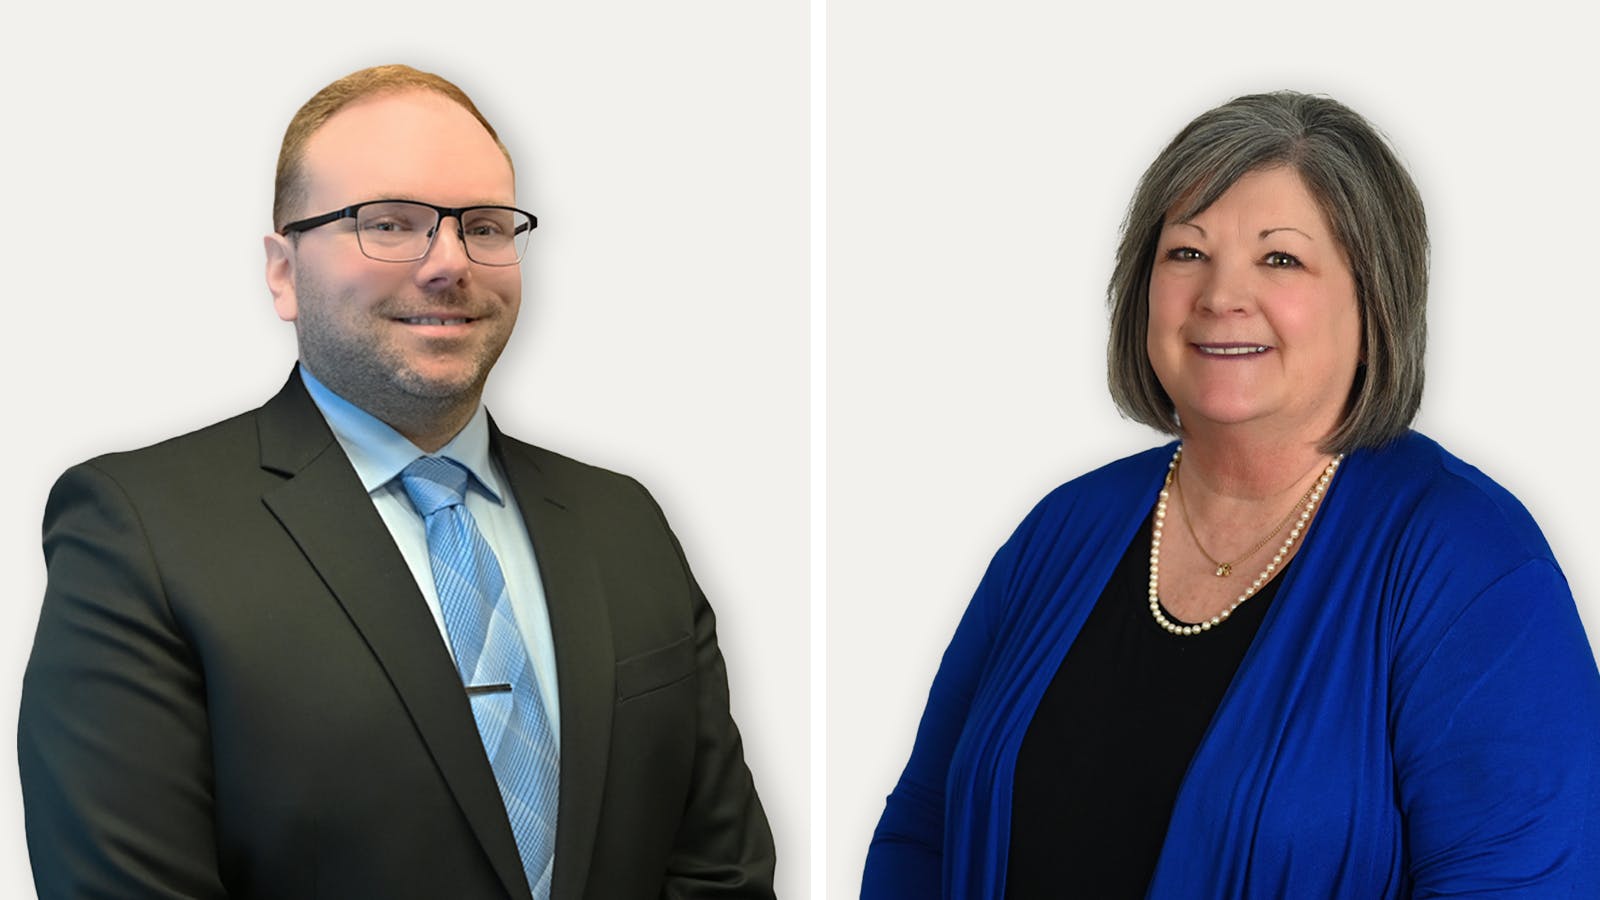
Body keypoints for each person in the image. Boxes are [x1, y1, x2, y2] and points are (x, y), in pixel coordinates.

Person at [19, 64, 775, 900]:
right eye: (389, 223)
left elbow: (721, 871)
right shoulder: (140, 532)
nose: (449, 262)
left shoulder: (623, 520)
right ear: (283, 271)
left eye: (484, 226)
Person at [862, 91, 1600, 898]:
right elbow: (922, 834)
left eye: (1280, 260)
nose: (1220, 295)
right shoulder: (1061, 530)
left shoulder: (1475, 568)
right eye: (1187, 252)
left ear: (1375, 300)